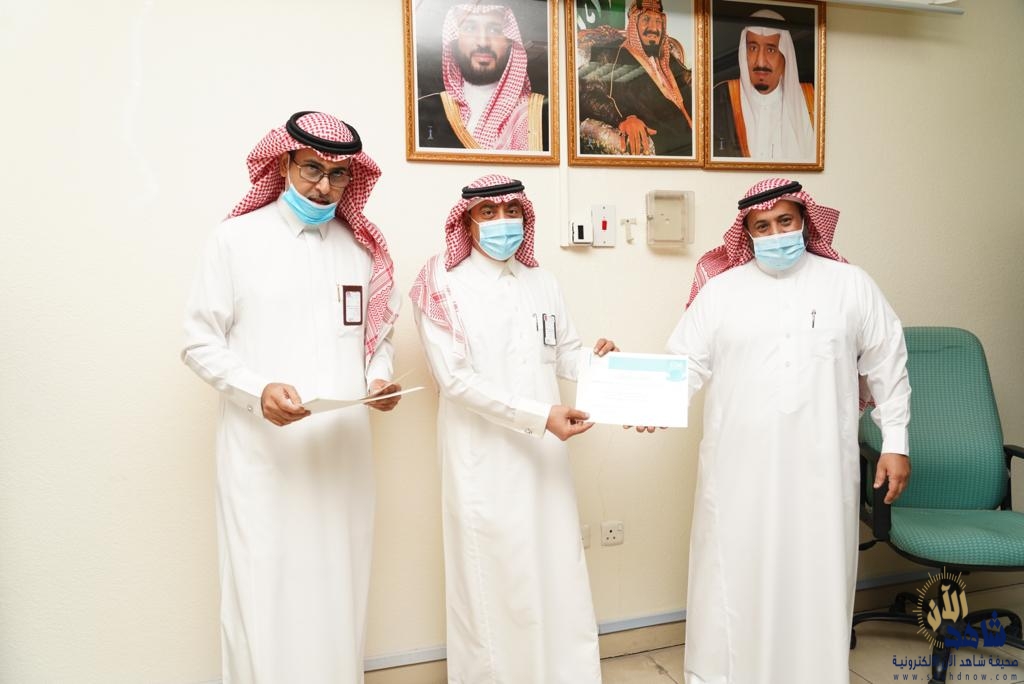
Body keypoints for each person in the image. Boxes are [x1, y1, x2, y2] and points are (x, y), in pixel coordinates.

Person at [181, 111, 402, 683]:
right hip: (264, 456)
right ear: (283, 164)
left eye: (338, 174)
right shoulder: (235, 240)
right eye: (311, 170)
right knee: (264, 591)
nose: (324, 186)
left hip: (342, 456)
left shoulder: (361, 250)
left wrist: (379, 380)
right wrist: (257, 390)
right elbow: (198, 341)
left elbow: (377, 338)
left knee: (338, 590)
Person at [665, 178, 911, 683]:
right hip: (738, 471)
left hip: (821, 469)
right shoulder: (720, 291)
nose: (776, 233)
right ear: (747, 233)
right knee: (734, 574)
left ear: (804, 221)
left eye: (785, 221)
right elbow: (683, 365)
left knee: (815, 575)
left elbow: (888, 364)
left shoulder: (850, 285)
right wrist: (652, 405)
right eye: (762, 226)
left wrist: (896, 443)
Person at [409, 175, 612, 683]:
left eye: (512, 212)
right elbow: (454, 380)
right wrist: (540, 416)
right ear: (466, 222)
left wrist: (602, 365)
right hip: (482, 459)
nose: (503, 223)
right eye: (489, 213)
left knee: (555, 566)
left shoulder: (542, 281)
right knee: (494, 577)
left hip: (545, 456)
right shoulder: (441, 282)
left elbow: (564, 354)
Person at [417, 3, 548, 151]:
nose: (483, 42)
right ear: (454, 41)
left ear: (509, 43)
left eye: (494, 30)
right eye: (470, 28)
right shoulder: (423, 111)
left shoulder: (545, 113)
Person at [577, 0, 694, 156]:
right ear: (634, 23)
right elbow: (588, 95)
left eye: (658, 21)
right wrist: (624, 118)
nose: (653, 28)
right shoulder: (612, 54)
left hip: (694, 138)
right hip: (665, 142)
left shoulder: (668, 58)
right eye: (646, 19)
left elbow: (691, 85)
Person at [711, 9, 815, 161]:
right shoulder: (721, 97)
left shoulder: (811, 100)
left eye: (771, 50)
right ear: (744, 52)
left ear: (784, 55)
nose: (760, 61)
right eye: (753, 48)